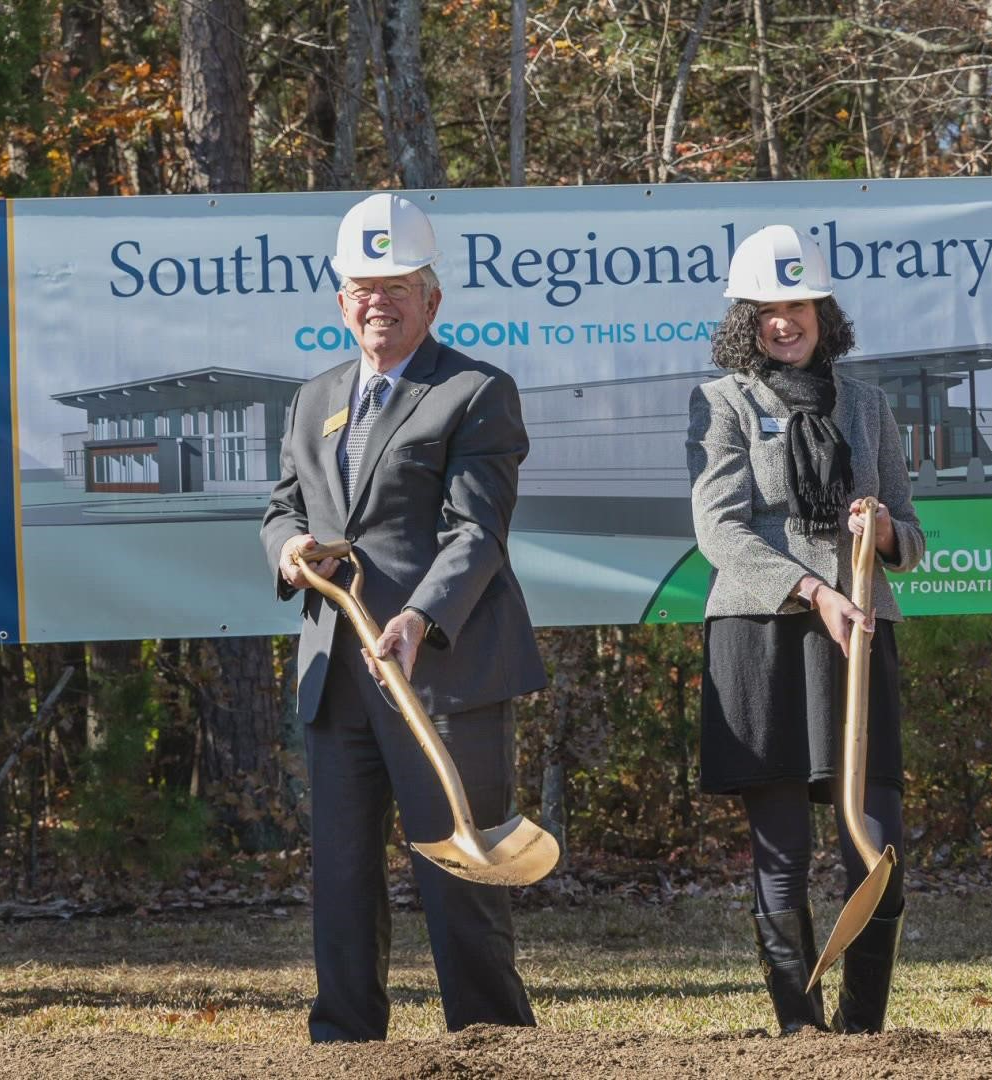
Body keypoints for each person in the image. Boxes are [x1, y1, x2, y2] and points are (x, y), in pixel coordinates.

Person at [260, 193, 548, 1043]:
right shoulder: (313, 399)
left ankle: (491, 1041)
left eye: (397, 286)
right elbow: (282, 507)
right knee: (342, 876)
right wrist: (287, 550)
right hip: (339, 676)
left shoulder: (474, 391)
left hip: (443, 672)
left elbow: (478, 531)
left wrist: (421, 616)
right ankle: (345, 1042)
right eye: (362, 286)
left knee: (460, 870)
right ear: (339, 300)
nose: (376, 300)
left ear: (432, 300)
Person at [685, 225, 925, 1035]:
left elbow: (914, 539)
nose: (783, 322)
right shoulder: (723, 403)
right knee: (782, 856)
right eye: (766, 309)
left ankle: (864, 1035)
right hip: (764, 638)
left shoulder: (869, 403)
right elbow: (718, 531)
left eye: (798, 305)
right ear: (743, 321)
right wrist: (810, 592)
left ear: (824, 311)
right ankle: (801, 1036)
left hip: (860, 640)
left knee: (878, 850)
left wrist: (885, 528)